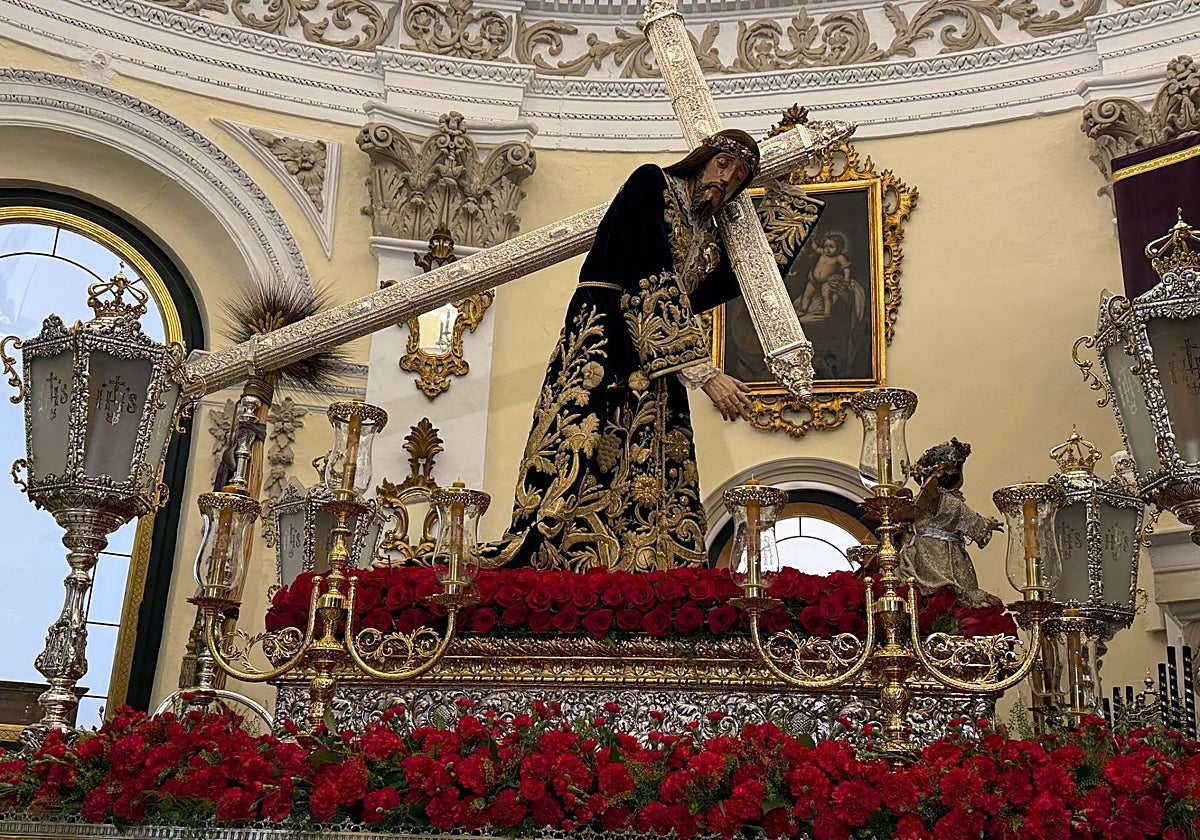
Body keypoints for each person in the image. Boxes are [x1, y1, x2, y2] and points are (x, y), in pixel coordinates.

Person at [481, 130, 760, 572]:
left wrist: (786, 197)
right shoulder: (652, 183)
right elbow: (652, 275)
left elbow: (730, 281)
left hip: (657, 354)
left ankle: (641, 558)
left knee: (653, 457)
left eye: (739, 176)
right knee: (586, 441)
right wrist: (707, 375)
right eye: (723, 164)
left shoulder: (704, 235)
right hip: (608, 332)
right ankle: (568, 556)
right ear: (704, 158)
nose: (727, 179)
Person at [897, 438, 1004, 608]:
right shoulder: (950, 501)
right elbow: (972, 521)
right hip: (944, 554)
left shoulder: (925, 498)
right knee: (953, 592)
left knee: (924, 593)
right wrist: (988, 524)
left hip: (919, 550)